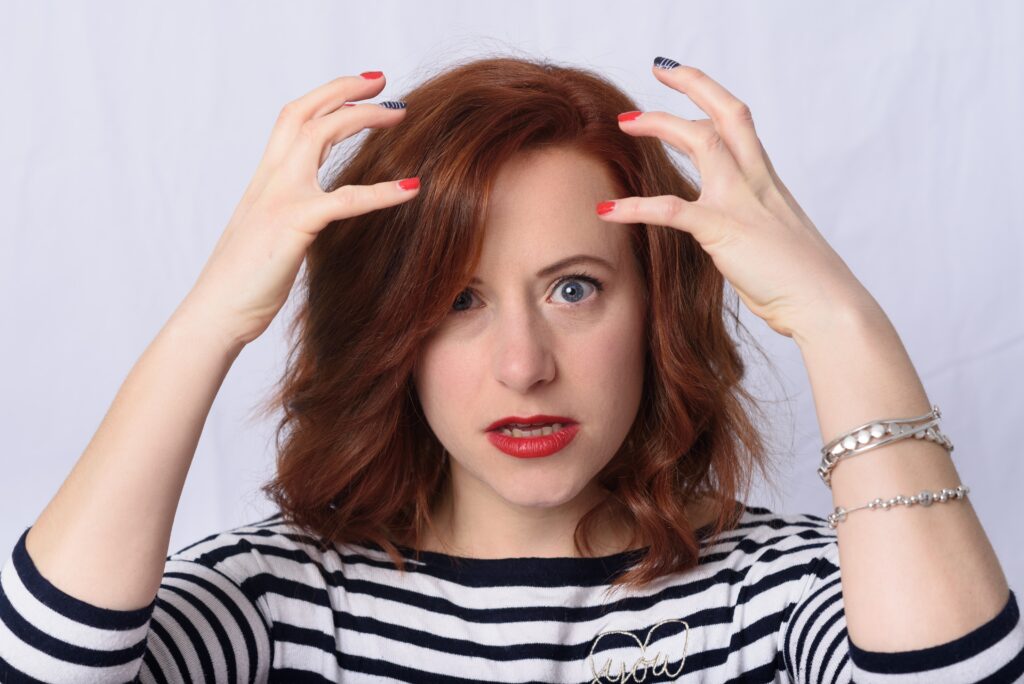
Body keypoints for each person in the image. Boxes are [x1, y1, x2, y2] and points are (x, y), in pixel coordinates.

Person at [0, 55, 1020, 683]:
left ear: (655, 310)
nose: (524, 366)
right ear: (388, 333)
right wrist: (211, 319)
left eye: (574, 289)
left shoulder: (782, 594)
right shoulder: (279, 601)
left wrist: (842, 322)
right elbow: (42, 670)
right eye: (455, 302)